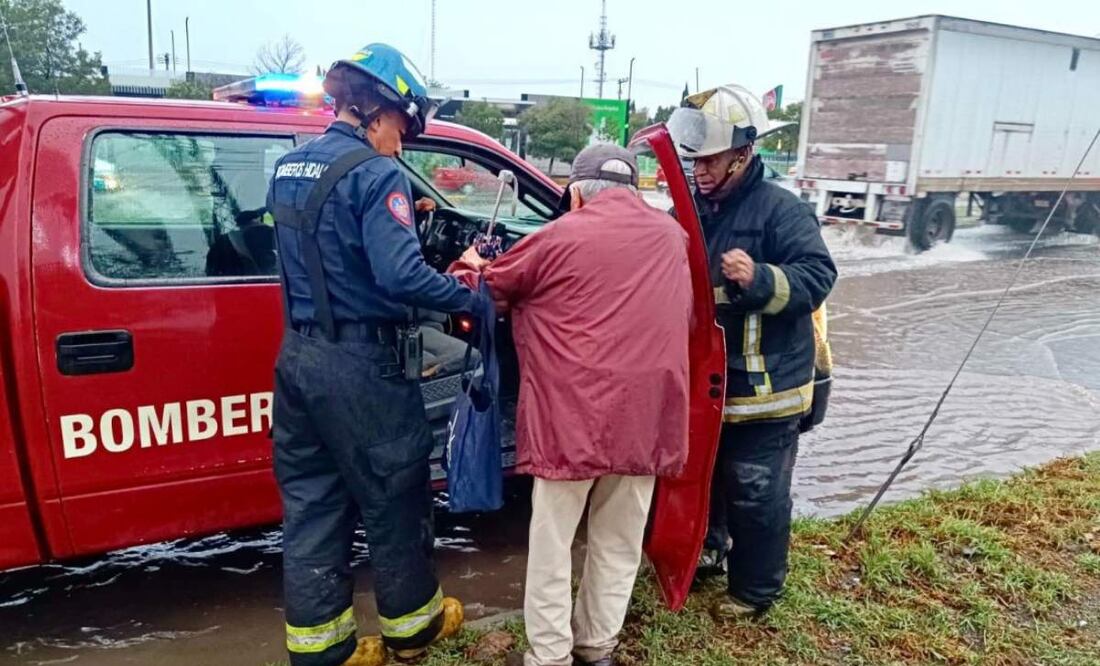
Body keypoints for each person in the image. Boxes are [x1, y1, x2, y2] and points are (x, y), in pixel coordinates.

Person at [267, 43, 479, 666]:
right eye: (402, 129)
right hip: (362, 369)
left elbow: (327, 257)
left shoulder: (291, 167)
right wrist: (465, 287)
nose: (403, 144)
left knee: (312, 505)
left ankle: (322, 652)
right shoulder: (374, 173)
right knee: (396, 496)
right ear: (377, 112)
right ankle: (413, 632)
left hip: (299, 362)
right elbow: (401, 278)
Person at [451, 144, 694, 666]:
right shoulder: (674, 237)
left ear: (578, 192)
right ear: (634, 188)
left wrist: (469, 263)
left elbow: (485, 289)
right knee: (620, 539)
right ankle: (598, 644)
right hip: (648, 417)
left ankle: (551, 655)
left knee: (553, 542)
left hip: (572, 419)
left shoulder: (557, 236)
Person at [667, 85, 837, 617]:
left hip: (767, 391)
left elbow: (819, 275)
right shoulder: (693, 211)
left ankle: (755, 591)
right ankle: (709, 553)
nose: (700, 169)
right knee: (709, 480)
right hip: (713, 386)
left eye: (711, 160)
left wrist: (762, 278)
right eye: (694, 160)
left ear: (743, 154)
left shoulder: (782, 211)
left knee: (757, 494)